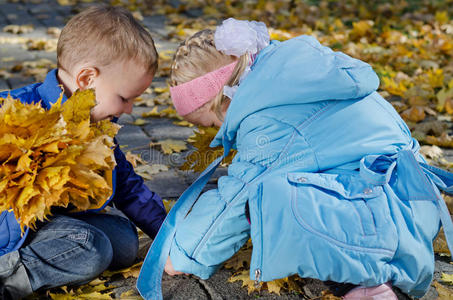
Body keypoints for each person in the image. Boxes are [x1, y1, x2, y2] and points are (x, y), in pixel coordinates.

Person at [136, 18, 453, 300]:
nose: (218, 132)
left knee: (265, 198)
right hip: (409, 201)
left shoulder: (268, 121)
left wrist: (185, 254)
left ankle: (369, 287)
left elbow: (235, 199)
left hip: (378, 225)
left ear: (223, 100)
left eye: (210, 124)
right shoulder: (293, 74)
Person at [0, 6, 167, 299]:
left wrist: (166, 234)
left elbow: (126, 186)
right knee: (92, 247)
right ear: (87, 79)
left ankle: (64, 251)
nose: (129, 109)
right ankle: (7, 279)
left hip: (51, 224)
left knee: (126, 241)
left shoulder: (97, 124)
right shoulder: (17, 114)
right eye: (125, 98)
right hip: (11, 229)